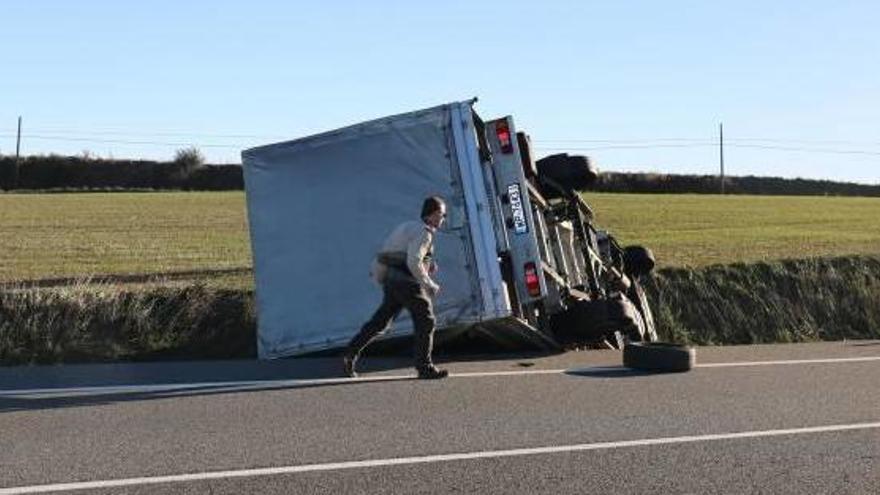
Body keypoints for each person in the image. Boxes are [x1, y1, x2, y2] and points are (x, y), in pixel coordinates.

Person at [343, 196, 448, 379]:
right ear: (432, 214)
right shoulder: (425, 233)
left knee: (380, 322)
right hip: (407, 282)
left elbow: (391, 250)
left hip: (392, 280)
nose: (443, 218)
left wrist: (428, 264)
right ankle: (425, 367)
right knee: (426, 320)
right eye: (442, 214)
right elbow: (413, 261)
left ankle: (349, 354)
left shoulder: (407, 226)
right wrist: (429, 284)